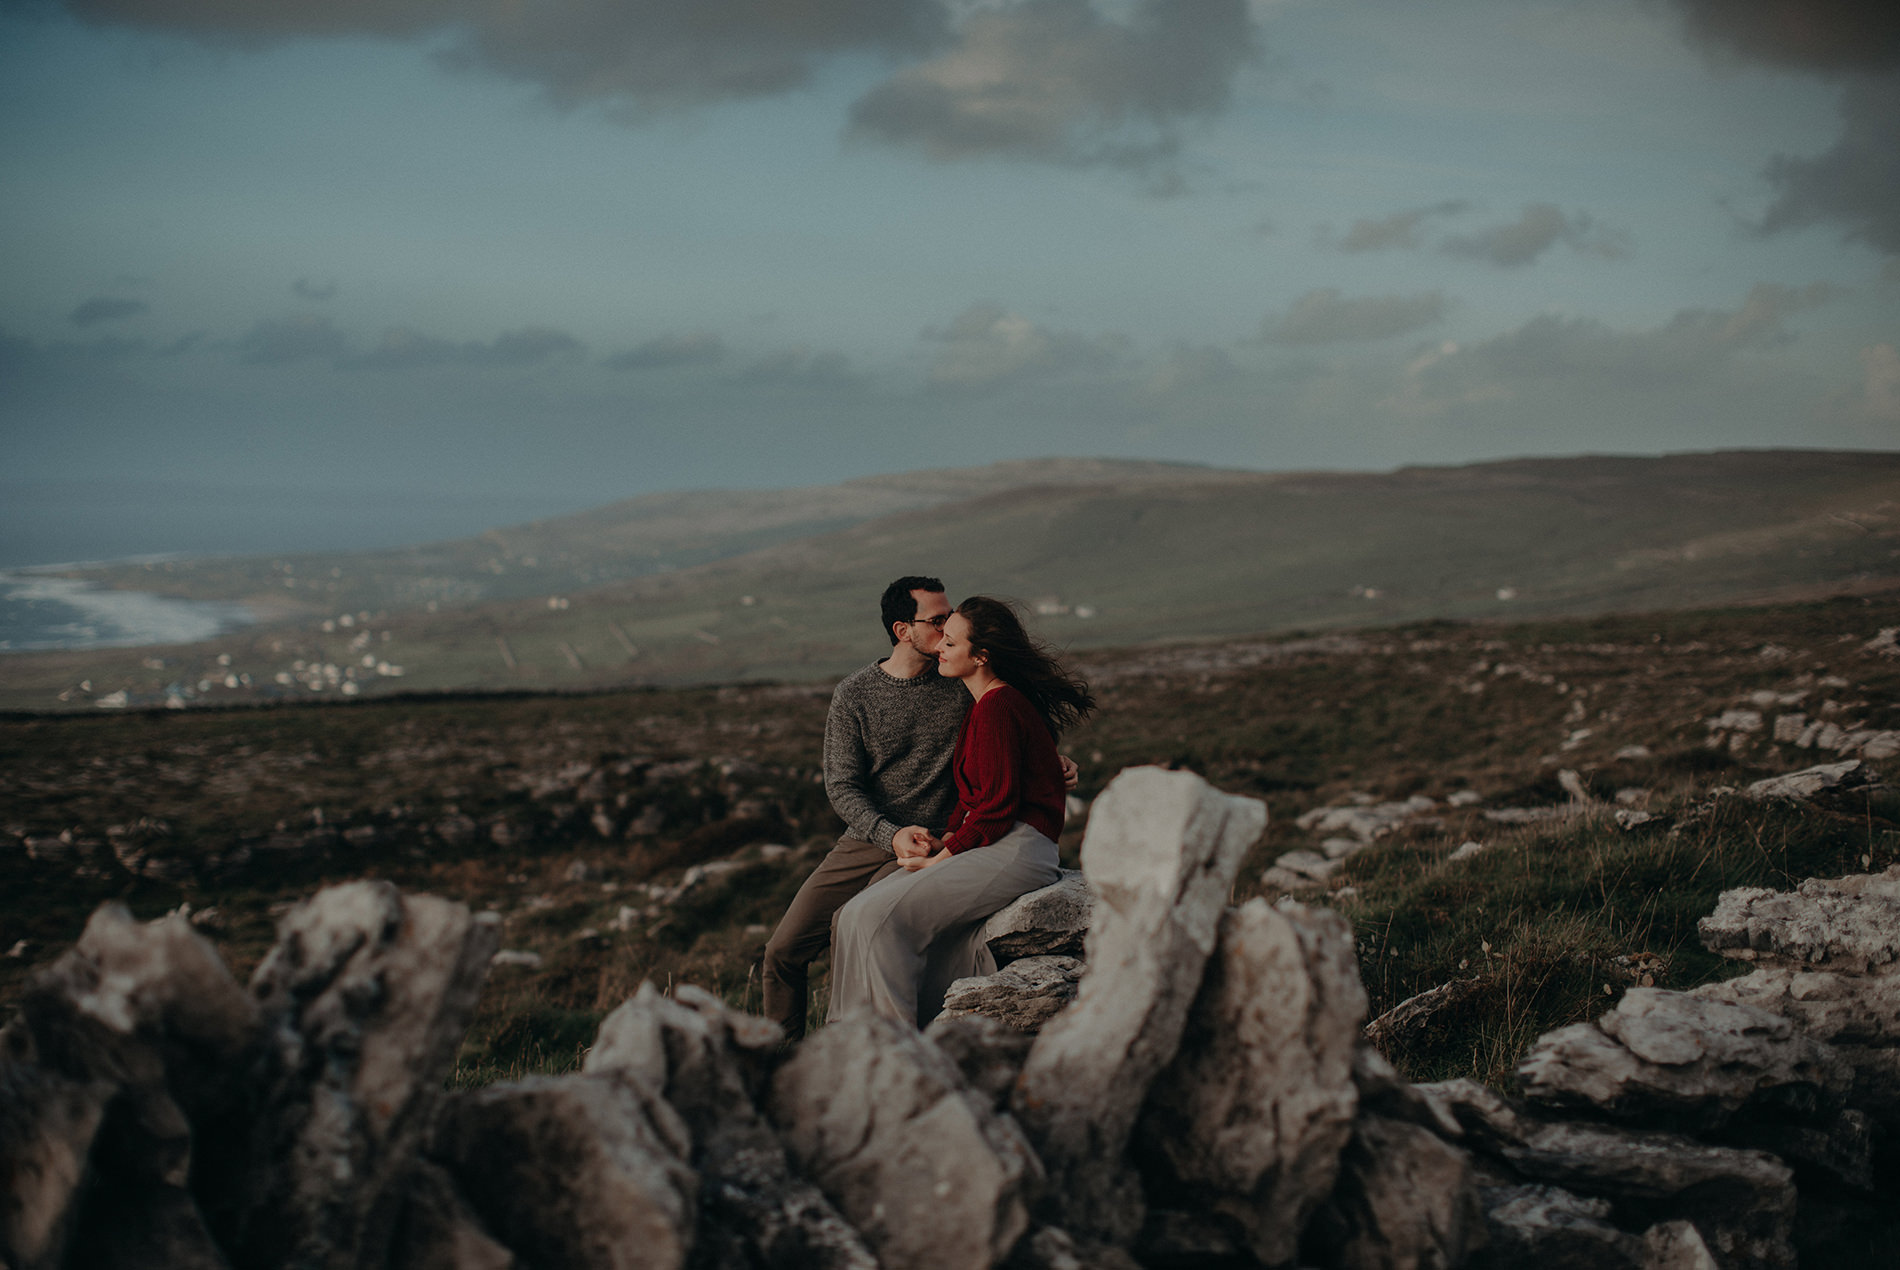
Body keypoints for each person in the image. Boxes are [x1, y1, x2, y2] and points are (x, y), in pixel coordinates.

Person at [761, 577, 1075, 1040]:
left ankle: (867, 1041)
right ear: (903, 629)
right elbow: (843, 786)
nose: (947, 628)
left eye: (951, 621)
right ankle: (780, 1055)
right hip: (873, 836)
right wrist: (888, 833)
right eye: (938, 621)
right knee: (782, 951)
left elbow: (1011, 737)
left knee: (860, 922)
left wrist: (1052, 763)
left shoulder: (960, 679)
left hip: (946, 837)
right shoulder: (856, 694)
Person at [827, 595, 1096, 1028]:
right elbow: (977, 800)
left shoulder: (998, 707)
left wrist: (941, 858)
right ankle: (852, 1037)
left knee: (877, 918)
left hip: (1018, 848)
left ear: (981, 656)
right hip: (995, 842)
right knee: (855, 914)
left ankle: (895, 1050)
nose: (939, 649)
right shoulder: (983, 705)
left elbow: (994, 810)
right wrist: (949, 839)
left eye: (950, 644)